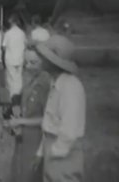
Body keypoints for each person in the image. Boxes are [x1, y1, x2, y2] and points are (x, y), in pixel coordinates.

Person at [32, 35, 86, 182]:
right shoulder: (56, 83)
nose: (41, 59)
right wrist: (42, 152)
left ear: (52, 61)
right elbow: (50, 123)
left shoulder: (70, 86)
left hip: (64, 153)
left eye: (44, 56)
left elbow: (69, 130)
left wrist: (54, 153)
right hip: (54, 149)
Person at [4, 48, 50, 182]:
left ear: (44, 62)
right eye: (26, 62)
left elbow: (48, 119)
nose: (28, 66)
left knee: (30, 175)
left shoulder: (45, 82)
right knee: (19, 173)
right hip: (23, 136)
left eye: (33, 62)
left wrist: (20, 122)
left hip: (37, 138)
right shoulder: (32, 79)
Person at [3, 12, 27, 98]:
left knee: (10, 78)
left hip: (10, 58)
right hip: (20, 58)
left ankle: (12, 97)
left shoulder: (8, 33)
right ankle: (18, 96)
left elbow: (4, 47)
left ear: (11, 22)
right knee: (19, 78)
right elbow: (25, 46)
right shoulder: (22, 33)